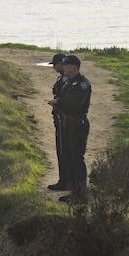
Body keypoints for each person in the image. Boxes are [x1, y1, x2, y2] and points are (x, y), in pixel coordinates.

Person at [50, 54, 93, 203]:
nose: (64, 67)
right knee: (68, 156)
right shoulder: (69, 82)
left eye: (66, 65)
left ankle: (81, 194)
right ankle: (74, 191)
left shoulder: (82, 84)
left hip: (77, 124)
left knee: (76, 158)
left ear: (74, 67)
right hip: (67, 123)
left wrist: (59, 102)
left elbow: (74, 102)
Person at [46, 53, 71, 191]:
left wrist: (57, 102)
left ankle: (65, 182)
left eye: (55, 65)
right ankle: (64, 181)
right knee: (62, 151)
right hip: (61, 118)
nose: (54, 67)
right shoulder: (64, 78)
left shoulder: (66, 80)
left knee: (64, 152)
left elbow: (67, 100)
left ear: (61, 64)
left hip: (64, 120)